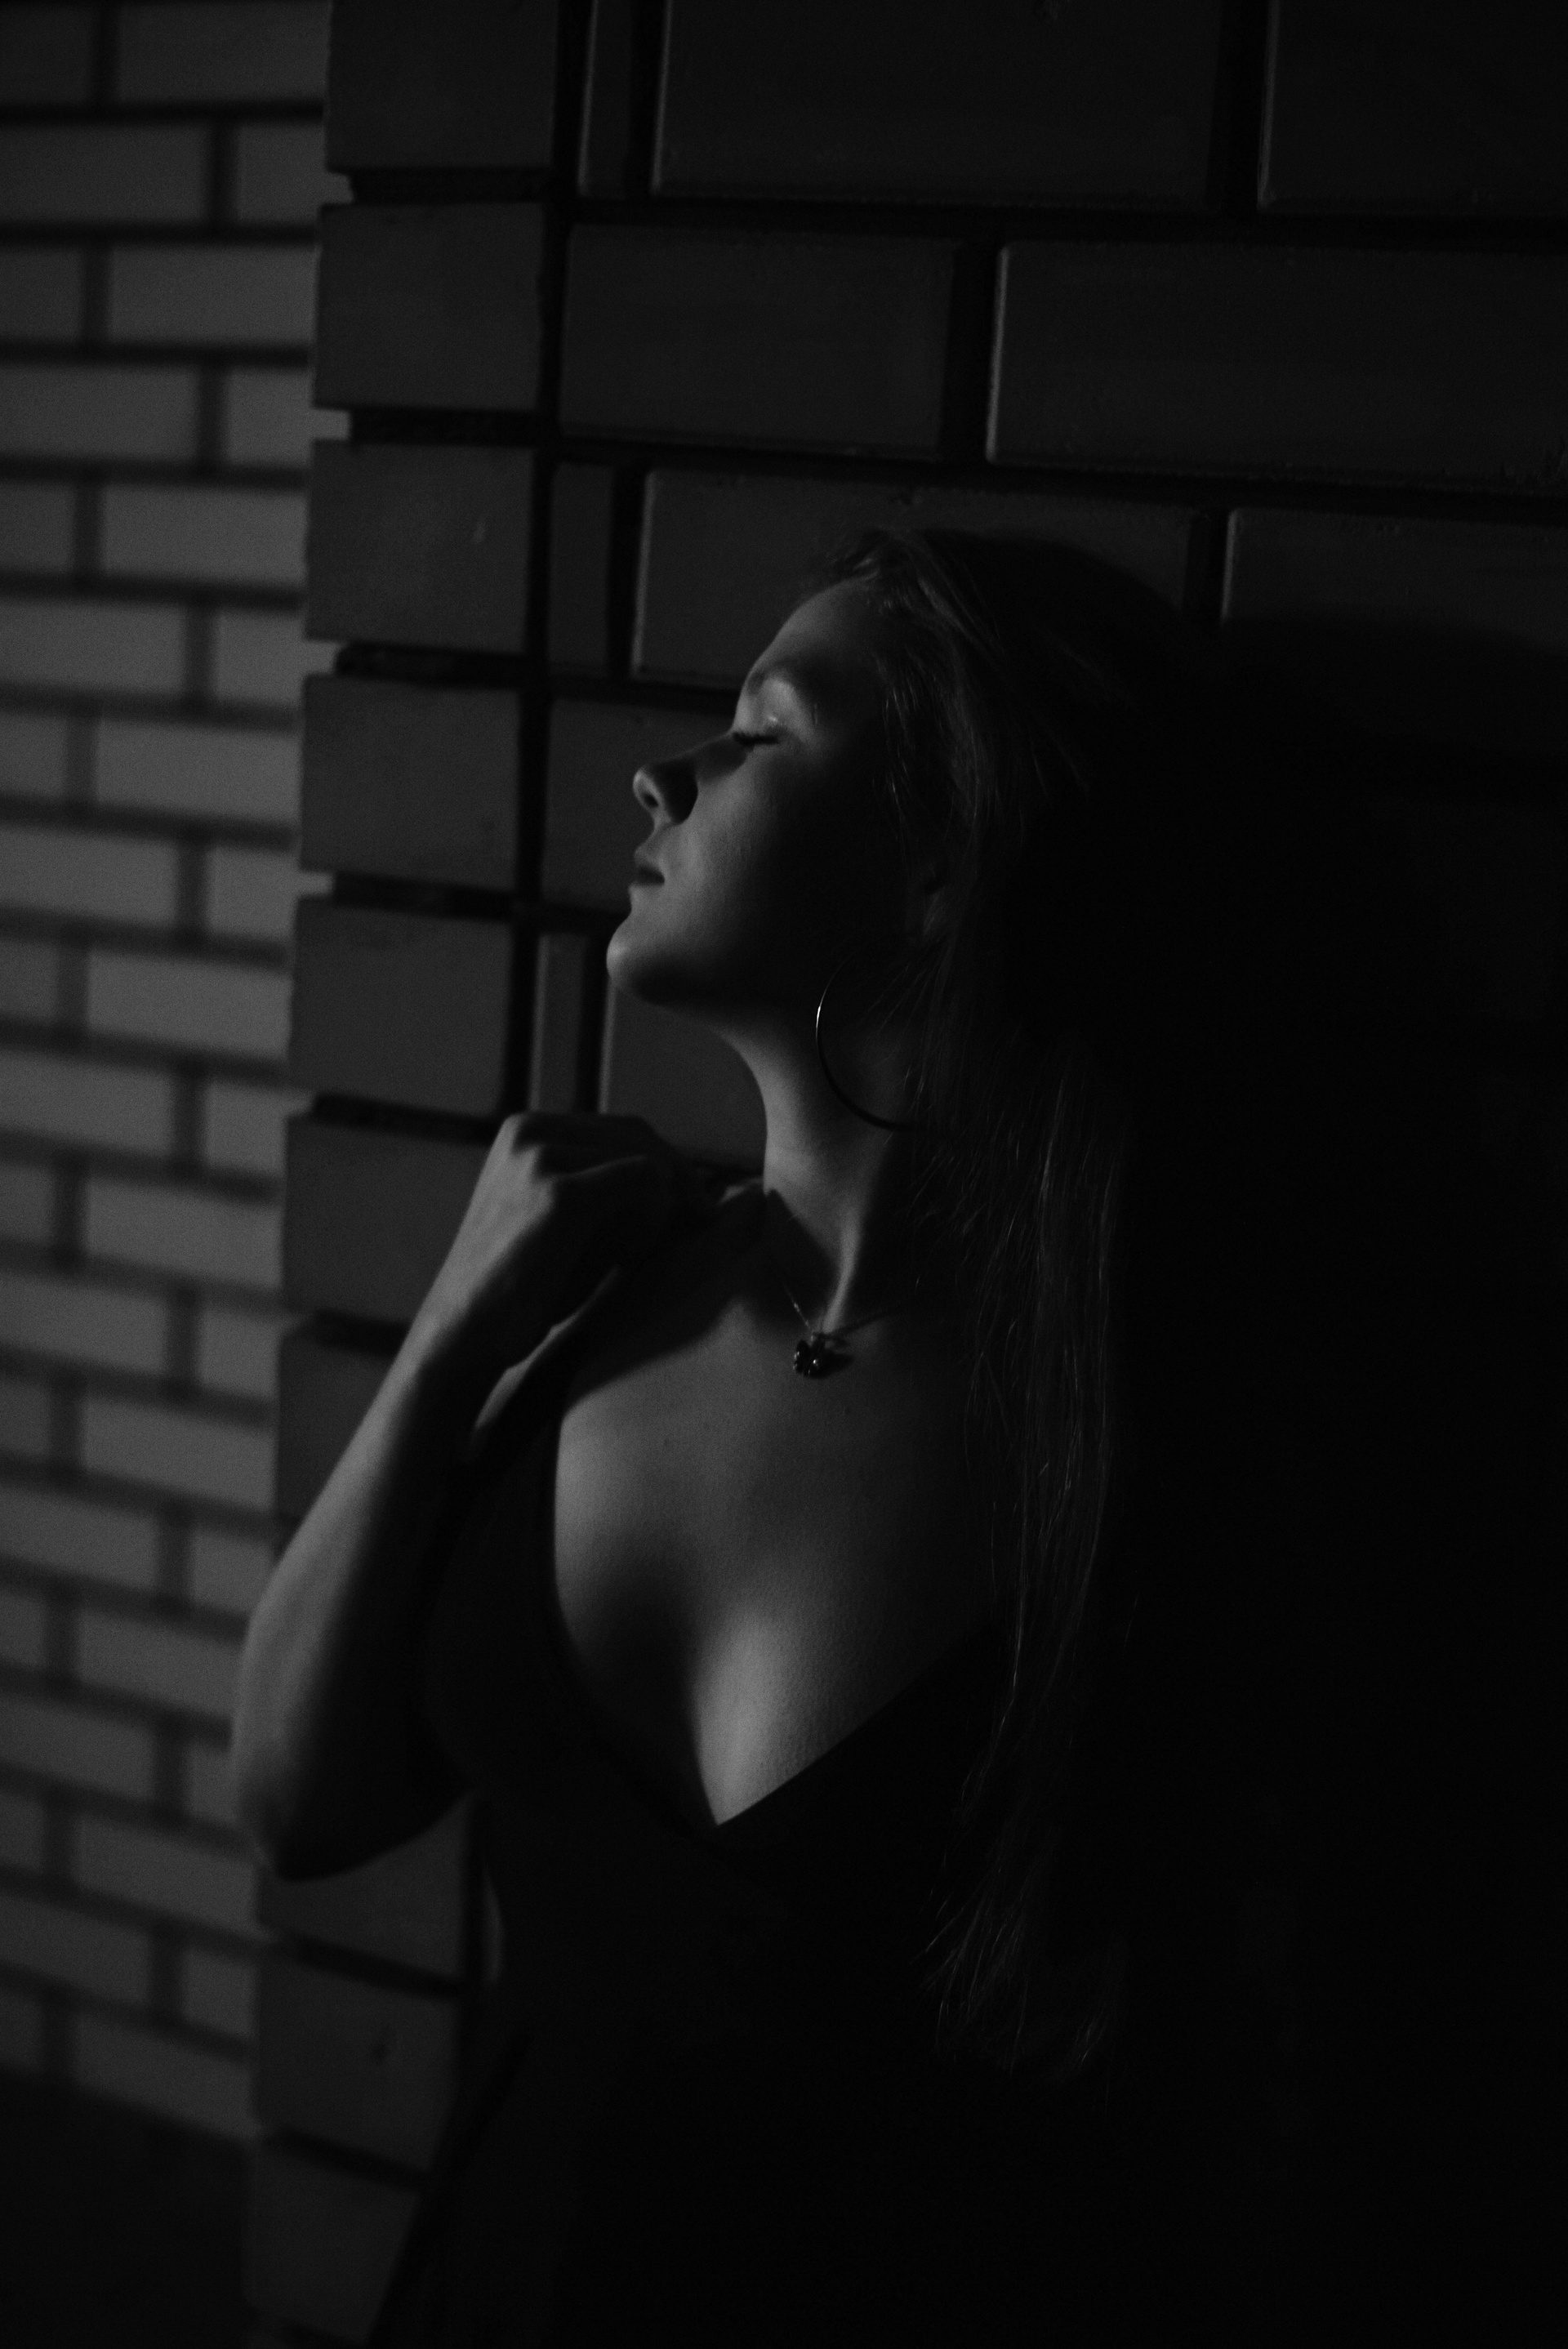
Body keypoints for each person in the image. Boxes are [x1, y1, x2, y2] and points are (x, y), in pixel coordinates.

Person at [234, 529, 1262, 2342]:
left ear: (941, 869)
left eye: (766, 731)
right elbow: (300, 1804)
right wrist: (452, 1338)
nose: (661, 775)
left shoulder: (1117, 1416)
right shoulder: (603, 1288)